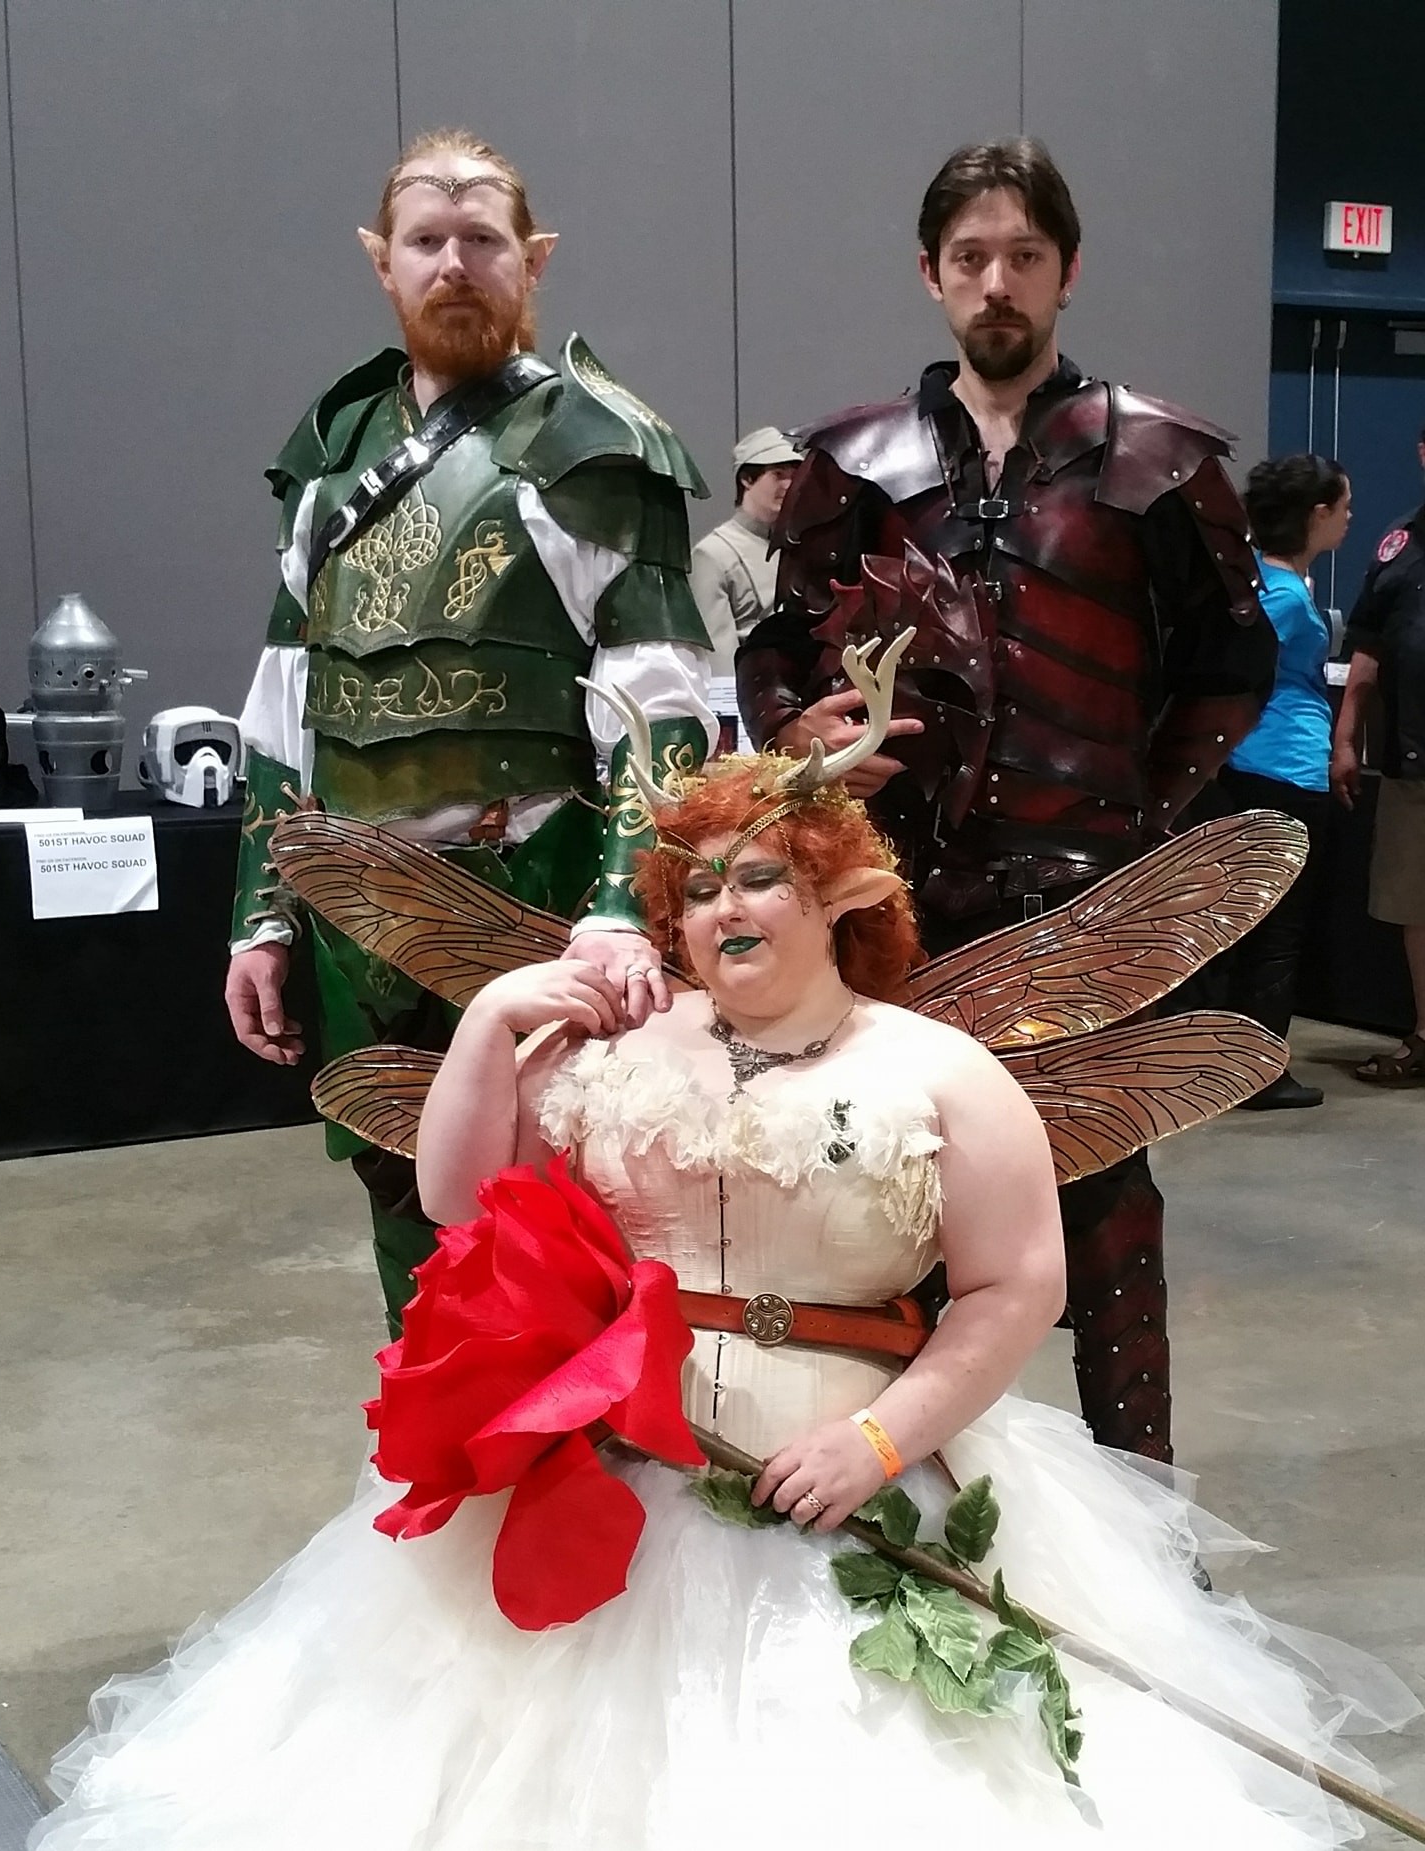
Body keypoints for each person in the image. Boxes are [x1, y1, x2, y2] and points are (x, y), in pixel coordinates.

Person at [30, 714, 1413, 1848]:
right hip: (609, 1466)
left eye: (757, 878)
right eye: (693, 889)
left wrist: (881, 1439)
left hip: (852, 1470)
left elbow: (1012, 1291)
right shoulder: (603, 1050)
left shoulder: (941, 1073)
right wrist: (501, 1014)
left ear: (840, 897)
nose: (722, 908)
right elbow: (456, 1197)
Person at [736, 139, 1274, 1461]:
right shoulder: (851, 463)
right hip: (895, 904)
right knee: (886, 1201)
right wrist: (802, 736)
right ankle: (897, 1485)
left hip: (1081, 899)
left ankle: (1139, 1505)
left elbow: (1232, 663)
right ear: (929, 273)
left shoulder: (1161, 458)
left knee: (1106, 1206)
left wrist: (1144, 815)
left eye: (1023, 256)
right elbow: (774, 655)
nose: (996, 283)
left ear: (1066, 271)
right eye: (970, 257)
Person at [222, 129, 715, 1330]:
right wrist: (262, 914)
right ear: (379, 260)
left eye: (481, 240)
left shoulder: (596, 445)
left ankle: (584, 1455)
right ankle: (440, 1444)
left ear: (532, 259)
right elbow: (283, 702)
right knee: (405, 1216)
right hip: (356, 919)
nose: (453, 264)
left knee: (567, 1226)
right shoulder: (332, 454)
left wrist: (619, 909)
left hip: (536, 901)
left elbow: (661, 705)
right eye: (426, 240)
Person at [1195, 456, 1349, 1109]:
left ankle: (1232, 1062)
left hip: (1261, 763)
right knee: (1277, 925)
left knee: (1249, 921)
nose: (1349, 519)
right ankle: (1257, 1072)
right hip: (1282, 767)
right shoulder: (1281, 597)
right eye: (1344, 506)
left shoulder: (1267, 582)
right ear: (1318, 513)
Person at [1333, 431, 1425, 1087]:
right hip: (1412, 759)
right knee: (1416, 905)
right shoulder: (1400, 542)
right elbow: (1366, 650)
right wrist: (1346, 739)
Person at [689, 424, 805, 671]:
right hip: (751, 684)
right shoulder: (713, 554)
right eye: (778, 474)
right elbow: (719, 659)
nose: (789, 484)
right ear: (747, 479)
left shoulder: (801, 548)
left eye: (794, 475)